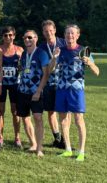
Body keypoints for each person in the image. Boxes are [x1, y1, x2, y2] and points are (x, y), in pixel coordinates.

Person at [50, 24, 99, 162]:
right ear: (64, 35)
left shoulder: (83, 51)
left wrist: (89, 63)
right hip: (61, 89)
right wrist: (54, 58)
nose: (69, 36)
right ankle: (68, 150)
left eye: (72, 33)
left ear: (77, 35)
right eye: (67, 33)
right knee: (64, 120)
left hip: (76, 90)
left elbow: (97, 72)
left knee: (78, 119)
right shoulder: (60, 50)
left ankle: (81, 151)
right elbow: (50, 69)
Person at [16, 30, 49, 157]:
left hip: (36, 92)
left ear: (36, 38)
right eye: (25, 38)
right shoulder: (24, 54)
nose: (27, 40)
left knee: (38, 118)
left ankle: (39, 148)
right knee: (25, 118)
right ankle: (33, 144)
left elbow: (45, 74)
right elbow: (24, 69)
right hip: (23, 91)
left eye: (30, 37)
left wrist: (39, 91)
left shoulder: (42, 53)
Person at [39, 20, 66, 148]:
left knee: (64, 112)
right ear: (43, 33)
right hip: (49, 83)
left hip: (63, 83)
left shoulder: (64, 43)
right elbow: (45, 69)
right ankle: (57, 138)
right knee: (51, 112)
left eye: (50, 30)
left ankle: (65, 140)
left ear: (54, 30)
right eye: (46, 31)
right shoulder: (42, 48)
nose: (49, 33)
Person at [0, 26, 24, 148]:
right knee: (0, 111)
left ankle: (17, 137)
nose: (8, 37)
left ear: (14, 36)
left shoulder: (19, 50)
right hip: (1, 84)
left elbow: (25, 66)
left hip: (15, 84)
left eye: (10, 35)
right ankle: (0, 137)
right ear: (2, 37)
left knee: (15, 111)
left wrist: (21, 67)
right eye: (5, 35)